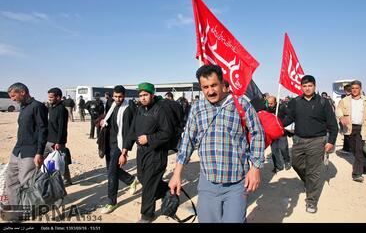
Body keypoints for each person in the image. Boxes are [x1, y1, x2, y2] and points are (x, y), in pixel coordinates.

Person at [169, 65, 265, 223]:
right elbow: (187, 140)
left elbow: (257, 133)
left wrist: (255, 167)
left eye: (214, 85)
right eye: (205, 87)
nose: (210, 91)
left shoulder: (240, 104)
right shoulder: (197, 108)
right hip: (208, 182)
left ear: (222, 83)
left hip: (237, 182)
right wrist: (176, 174)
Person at [282, 75, 338, 214]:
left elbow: (333, 125)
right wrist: (276, 123)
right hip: (299, 140)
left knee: (313, 171)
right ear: (301, 87)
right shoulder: (296, 101)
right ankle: (310, 182)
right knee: (296, 164)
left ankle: (311, 201)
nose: (307, 88)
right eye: (304, 86)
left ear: (315, 86)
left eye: (310, 86)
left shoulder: (323, 102)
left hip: (317, 141)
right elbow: (289, 118)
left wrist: (331, 141)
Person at [128, 82, 173, 223]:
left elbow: (167, 132)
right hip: (142, 153)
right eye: (140, 95)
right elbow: (132, 129)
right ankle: (167, 189)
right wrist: (125, 148)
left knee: (148, 184)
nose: (142, 98)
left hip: (156, 154)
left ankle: (147, 215)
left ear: (152, 95)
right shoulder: (139, 110)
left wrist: (149, 138)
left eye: (145, 95)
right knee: (142, 178)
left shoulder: (159, 110)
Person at [4, 83, 48, 221]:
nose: (12, 99)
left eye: (13, 95)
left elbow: (43, 130)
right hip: (18, 150)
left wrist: (39, 153)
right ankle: (14, 210)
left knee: (27, 183)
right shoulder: (23, 107)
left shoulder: (37, 106)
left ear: (22, 92)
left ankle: (29, 210)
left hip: (31, 151)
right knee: (10, 180)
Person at [99, 85, 138, 214]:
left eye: (120, 96)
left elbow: (130, 129)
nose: (117, 99)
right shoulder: (112, 104)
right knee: (111, 169)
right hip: (109, 142)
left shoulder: (129, 107)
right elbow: (110, 120)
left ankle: (111, 202)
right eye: (115, 96)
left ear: (124, 95)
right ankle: (131, 180)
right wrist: (103, 121)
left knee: (111, 173)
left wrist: (124, 152)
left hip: (120, 144)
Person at [336, 80, 366, 182]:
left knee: (359, 150)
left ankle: (357, 174)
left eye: (357, 88)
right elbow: (338, 110)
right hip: (350, 128)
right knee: (354, 150)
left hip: (363, 128)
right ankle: (363, 165)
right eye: (353, 88)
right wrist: (341, 117)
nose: (354, 90)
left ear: (360, 89)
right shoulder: (345, 100)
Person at [45, 87, 73, 186]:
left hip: (57, 142)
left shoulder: (62, 110)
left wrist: (59, 142)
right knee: (45, 160)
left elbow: (62, 128)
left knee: (61, 161)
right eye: (49, 97)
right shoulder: (51, 108)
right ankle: (48, 178)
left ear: (58, 97)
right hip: (48, 140)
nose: (49, 99)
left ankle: (66, 180)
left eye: (51, 97)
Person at [266, 95, 291, 173]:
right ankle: (278, 166)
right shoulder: (266, 109)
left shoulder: (281, 107)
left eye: (271, 103)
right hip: (272, 133)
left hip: (281, 132)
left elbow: (289, 115)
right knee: (274, 150)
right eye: (268, 103)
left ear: (275, 103)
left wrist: (282, 124)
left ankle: (287, 161)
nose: (269, 105)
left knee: (283, 148)